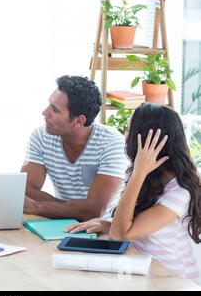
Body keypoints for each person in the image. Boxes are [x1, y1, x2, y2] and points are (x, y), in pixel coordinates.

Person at [64, 103, 201, 284]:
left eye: (129, 131)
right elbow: (131, 227)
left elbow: (119, 235)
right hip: (140, 270)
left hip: (172, 280)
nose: (124, 137)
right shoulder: (149, 178)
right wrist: (106, 224)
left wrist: (138, 172)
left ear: (144, 141)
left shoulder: (180, 192)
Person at [21, 75, 129, 221]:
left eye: (54, 109)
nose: (45, 113)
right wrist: (77, 209)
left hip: (102, 229)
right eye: (49, 105)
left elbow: (95, 211)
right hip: (61, 222)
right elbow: (26, 191)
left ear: (79, 121)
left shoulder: (111, 143)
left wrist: (37, 207)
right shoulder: (41, 136)